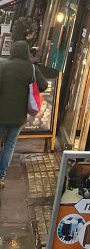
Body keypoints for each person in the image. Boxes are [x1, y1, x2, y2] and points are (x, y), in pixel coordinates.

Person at [0, 39, 48, 187]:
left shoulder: (3, 66)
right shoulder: (31, 68)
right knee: (9, 145)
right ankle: (1, 176)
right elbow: (44, 85)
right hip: (19, 116)